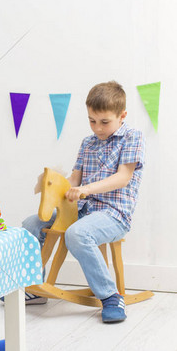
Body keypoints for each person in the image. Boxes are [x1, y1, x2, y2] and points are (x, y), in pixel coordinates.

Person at [23, 81, 145, 323]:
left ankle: (110, 296)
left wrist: (85, 190)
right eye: (92, 120)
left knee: (77, 234)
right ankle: (33, 285)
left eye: (104, 122)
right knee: (30, 224)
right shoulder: (87, 143)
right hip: (81, 210)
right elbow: (73, 181)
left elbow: (123, 177)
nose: (97, 128)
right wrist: (50, 183)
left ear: (122, 116)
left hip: (114, 214)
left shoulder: (132, 137)